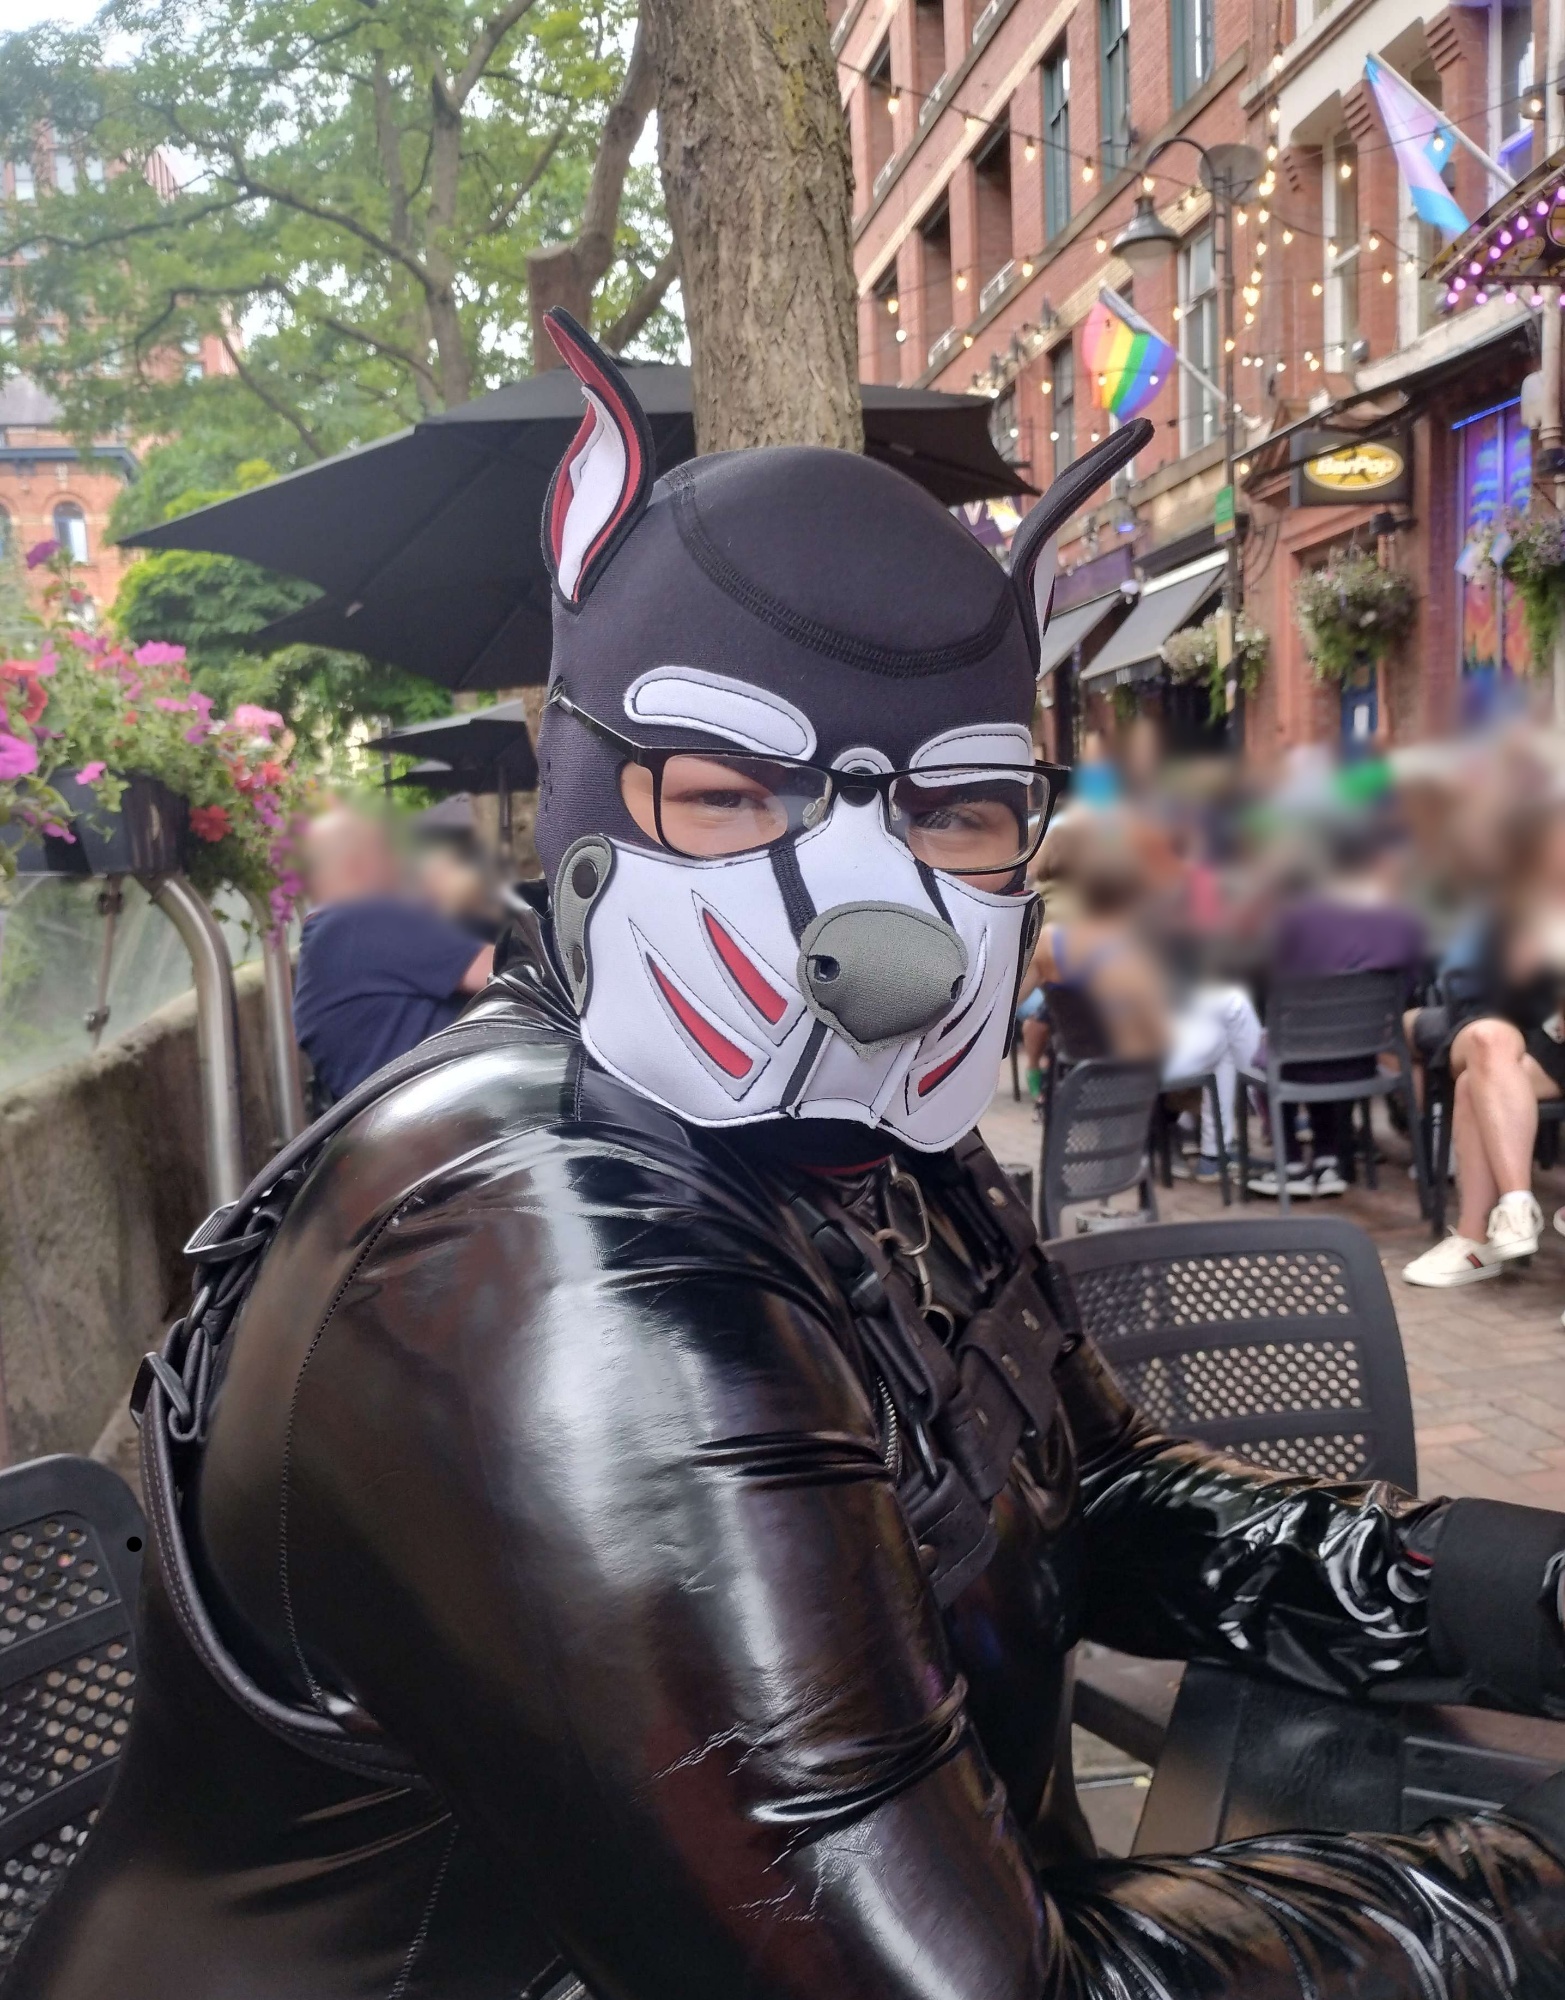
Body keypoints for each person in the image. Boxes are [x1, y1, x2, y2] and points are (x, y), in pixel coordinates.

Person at [16, 312, 1565, 2000]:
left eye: (955, 810)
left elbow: (1095, 1492)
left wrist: (1515, 1591)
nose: (882, 935)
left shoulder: (859, 1131)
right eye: (731, 794)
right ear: (591, 796)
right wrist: (1524, 1889)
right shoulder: (529, 1250)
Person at [1020, 812, 1262, 1180]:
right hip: (1138, 1071)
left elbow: (1007, 1003)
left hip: (1082, 1068)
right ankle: (1230, 1140)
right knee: (1228, 1025)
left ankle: (1216, 1145)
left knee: (1223, 1016)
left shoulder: (1050, 940)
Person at [1403, 797, 1565, 1290]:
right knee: (1488, 1042)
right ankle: (1516, 1207)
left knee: (1476, 1083)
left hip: (1547, 1044)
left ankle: (1476, 1241)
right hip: (1509, 1028)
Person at [1248, 814, 1426, 1200]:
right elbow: (1410, 982)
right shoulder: (1399, 919)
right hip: (1363, 1056)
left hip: (1296, 1057)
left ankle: (1291, 1164)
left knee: (1274, 1048)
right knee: (1322, 1046)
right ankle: (1328, 1160)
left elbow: (1272, 980)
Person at [291, 804, 494, 1101]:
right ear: (357, 863)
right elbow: (510, 971)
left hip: (422, 1113)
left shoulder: (327, 941)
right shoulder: (364, 919)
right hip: (460, 1108)